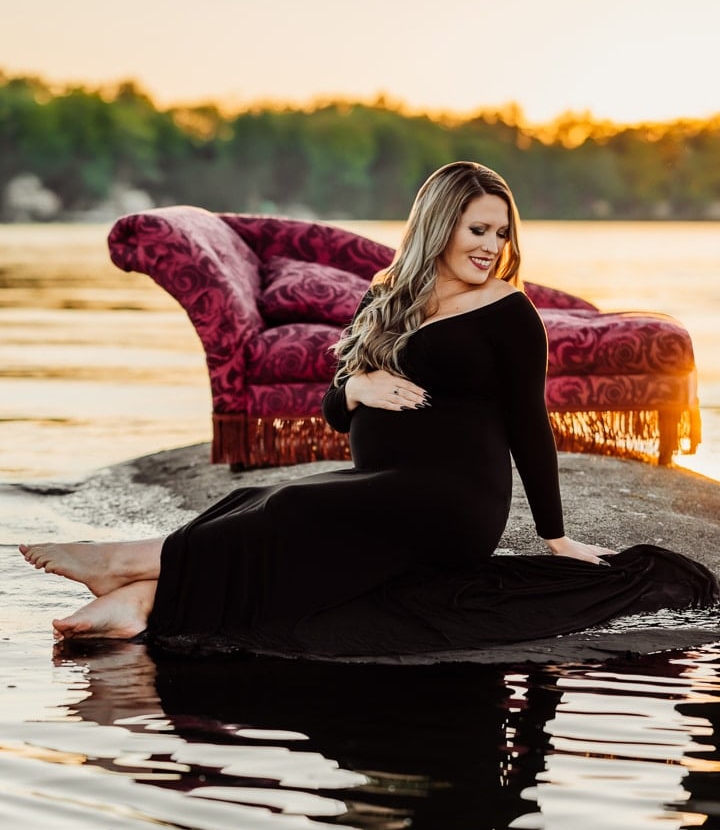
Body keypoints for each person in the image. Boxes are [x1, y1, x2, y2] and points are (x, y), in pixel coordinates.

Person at [18, 161, 718, 655]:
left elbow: (529, 423)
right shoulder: (386, 299)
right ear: (440, 225)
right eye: (477, 230)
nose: (491, 247)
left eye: (500, 234)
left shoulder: (507, 310)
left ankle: (125, 562)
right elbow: (334, 411)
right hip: (379, 488)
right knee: (253, 500)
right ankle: (141, 606)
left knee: (292, 511)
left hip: (451, 500)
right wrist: (356, 389)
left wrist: (555, 536)